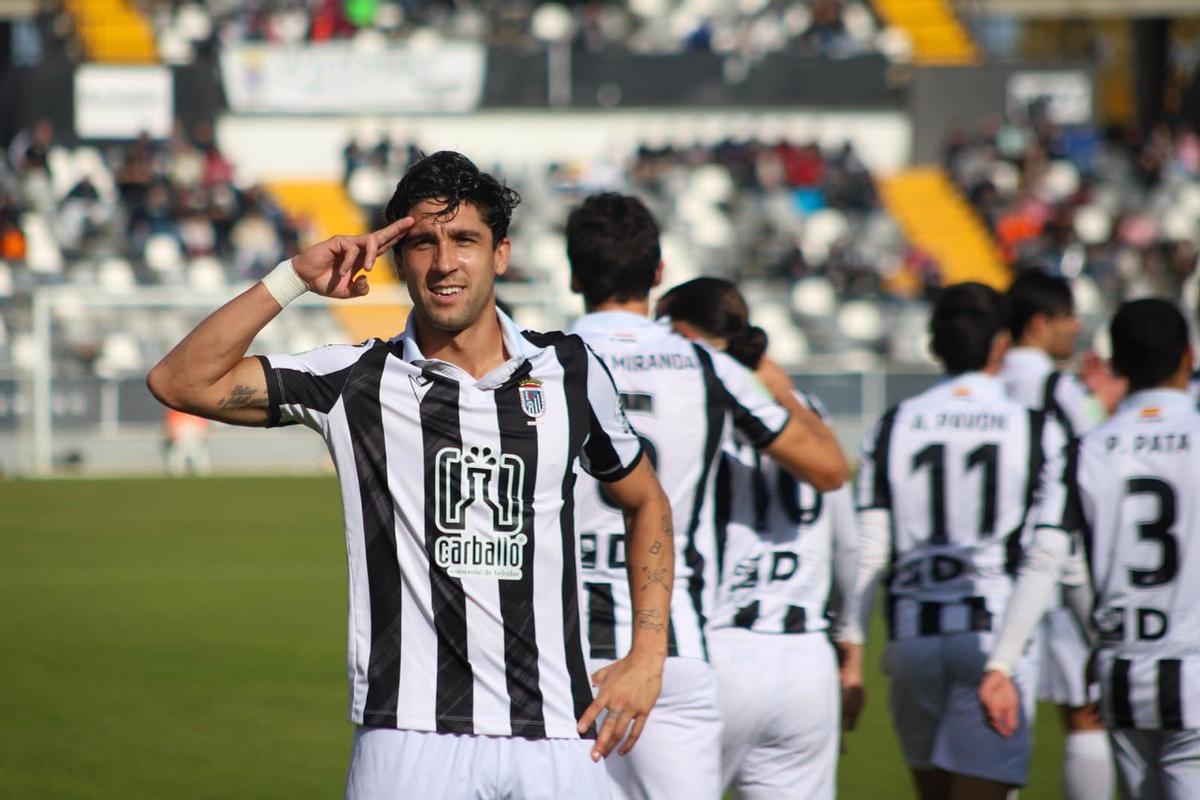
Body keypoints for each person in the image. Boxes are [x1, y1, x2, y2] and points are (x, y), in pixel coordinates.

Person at [147, 152, 674, 800]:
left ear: (501, 254)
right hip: (406, 740)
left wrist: (648, 656)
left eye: (465, 240)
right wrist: (293, 278)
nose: (444, 261)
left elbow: (646, 501)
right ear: (398, 259)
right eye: (421, 242)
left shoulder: (569, 371)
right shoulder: (355, 380)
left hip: (558, 737)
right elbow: (180, 381)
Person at [563, 195, 847, 800]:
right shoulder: (704, 364)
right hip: (670, 647)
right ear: (659, 270)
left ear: (573, 274)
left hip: (557, 645)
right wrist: (771, 377)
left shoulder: (539, 357)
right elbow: (827, 468)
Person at [839, 282, 1067, 800]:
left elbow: (869, 546)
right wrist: (1002, 664)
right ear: (1002, 343)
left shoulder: (894, 423)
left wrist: (851, 653)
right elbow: (1045, 553)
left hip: (911, 638)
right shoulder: (1034, 428)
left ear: (934, 346)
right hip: (992, 633)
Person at [981, 298, 1200, 800]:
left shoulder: (1085, 451)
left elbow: (1046, 557)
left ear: (1116, 365)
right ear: (1188, 356)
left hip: (1121, 669)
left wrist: (1001, 664)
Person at [656, 277, 859, 800]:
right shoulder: (805, 408)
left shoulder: (691, 398)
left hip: (718, 641)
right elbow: (849, 544)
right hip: (805, 655)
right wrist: (849, 649)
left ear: (681, 329)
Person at [1001, 268, 1117, 800]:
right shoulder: (1060, 387)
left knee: (996, 709)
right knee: (1086, 713)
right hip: (1060, 557)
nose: (1076, 327)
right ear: (1039, 322)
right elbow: (1101, 458)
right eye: (1068, 316)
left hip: (997, 567)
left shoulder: (989, 379)